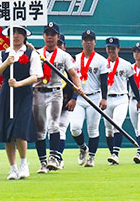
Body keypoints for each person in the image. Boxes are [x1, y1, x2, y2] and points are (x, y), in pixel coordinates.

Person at [0, 26, 42, 180]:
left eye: (19, 33)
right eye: (13, 33)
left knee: (20, 129)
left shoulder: (31, 54)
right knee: (8, 132)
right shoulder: (2, 54)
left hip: (24, 94)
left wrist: (19, 84)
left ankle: (24, 163)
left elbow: (35, 76)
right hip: (7, 94)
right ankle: (12, 168)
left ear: (25, 36)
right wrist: (7, 63)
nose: (16, 36)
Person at [33, 23, 83, 173]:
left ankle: (54, 158)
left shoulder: (64, 56)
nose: (49, 37)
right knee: (39, 130)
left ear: (58, 37)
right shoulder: (35, 53)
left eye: (53, 34)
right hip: (38, 91)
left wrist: (78, 87)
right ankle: (43, 162)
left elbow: (73, 75)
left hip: (55, 92)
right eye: (47, 34)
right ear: (43, 36)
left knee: (54, 125)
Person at [70, 30, 108, 168]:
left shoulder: (101, 60)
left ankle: (91, 157)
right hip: (79, 98)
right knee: (75, 128)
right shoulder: (75, 59)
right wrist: (73, 98)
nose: (88, 42)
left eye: (91, 40)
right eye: (86, 40)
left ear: (95, 42)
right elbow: (71, 80)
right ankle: (82, 147)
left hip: (94, 96)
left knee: (93, 129)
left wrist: (104, 98)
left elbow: (104, 81)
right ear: (82, 42)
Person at [103, 36, 140, 165]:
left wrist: (138, 100)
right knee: (108, 130)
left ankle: (115, 154)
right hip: (107, 99)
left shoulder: (126, 65)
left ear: (118, 48)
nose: (111, 51)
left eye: (113, 48)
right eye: (109, 48)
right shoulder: (103, 64)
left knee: (117, 125)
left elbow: (133, 84)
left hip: (121, 98)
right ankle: (112, 155)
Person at [54, 34, 75, 169]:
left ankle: (58, 158)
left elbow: (75, 81)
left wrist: (74, 98)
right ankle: (52, 157)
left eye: (60, 44)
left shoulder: (69, 62)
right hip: (51, 99)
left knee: (61, 127)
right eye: (57, 44)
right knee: (50, 129)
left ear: (64, 46)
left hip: (67, 100)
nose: (58, 47)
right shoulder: (47, 59)